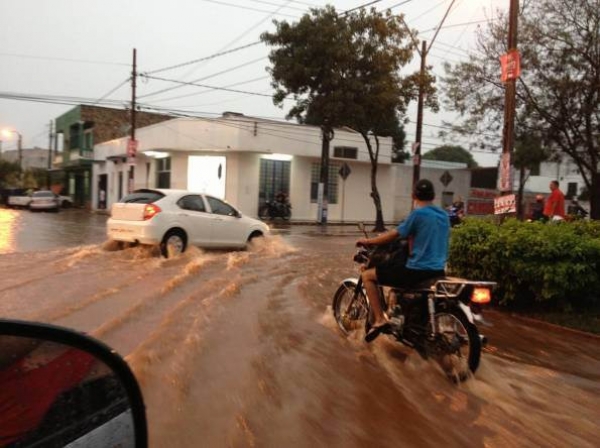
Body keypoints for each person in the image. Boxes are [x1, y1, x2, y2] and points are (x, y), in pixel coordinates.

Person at [356, 179, 450, 342]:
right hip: (439, 271)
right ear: (433, 196)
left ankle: (379, 319)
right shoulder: (443, 215)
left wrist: (369, 242)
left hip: (417, 271)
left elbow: (395, 234)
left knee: (368, 276)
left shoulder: (417, 214)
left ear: (413, 196)